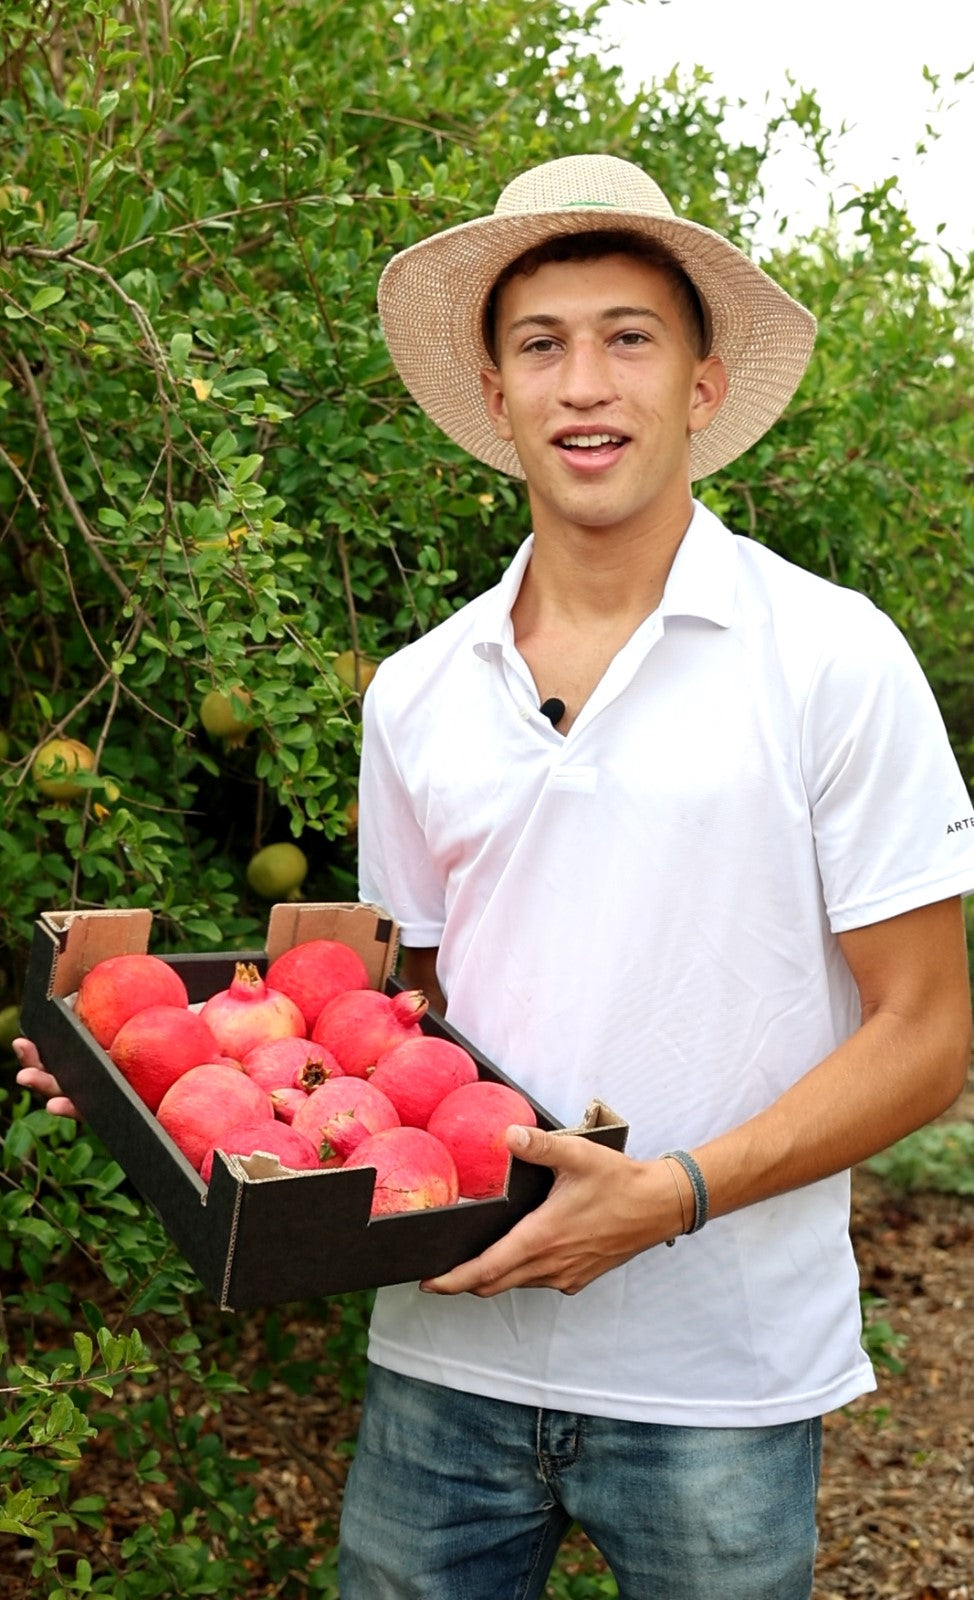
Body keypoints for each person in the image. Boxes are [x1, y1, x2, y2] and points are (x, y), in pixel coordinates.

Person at [16, 153, 974, 1599]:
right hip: (440, 1346)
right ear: (497, 393)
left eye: (626, 338)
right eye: (541, 344)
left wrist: (677, 1192)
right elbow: (410, 1013)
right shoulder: (416, 691)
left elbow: (926, 1033)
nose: (583, 382)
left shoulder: (833, 657)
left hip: (716, 1372)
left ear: (701, 388)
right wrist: (155, 1065)